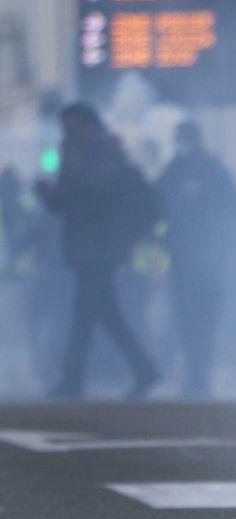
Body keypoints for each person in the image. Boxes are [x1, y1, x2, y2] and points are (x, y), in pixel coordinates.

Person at [36, 103, 160, 399]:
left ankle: (74, 380)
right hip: (89, 247)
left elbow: (86, 196)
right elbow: (69, 200)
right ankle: (144, 370)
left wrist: (53, 194)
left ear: (83, 124)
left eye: (70, 125)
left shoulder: (97, 154)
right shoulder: (81, 152)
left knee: (84, 317)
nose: (66, 131)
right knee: (106, 316)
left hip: (98, 248)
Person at [157, 120, 235, 398]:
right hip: (182, 258)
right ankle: (194, 373)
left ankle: (201, 374)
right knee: (185, 318)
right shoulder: (172, 171)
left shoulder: (212, 170)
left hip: (209, 258)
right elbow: (159, 206)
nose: (182, 144)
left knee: (205, 317)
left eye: (185, 138)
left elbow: (229, 206)